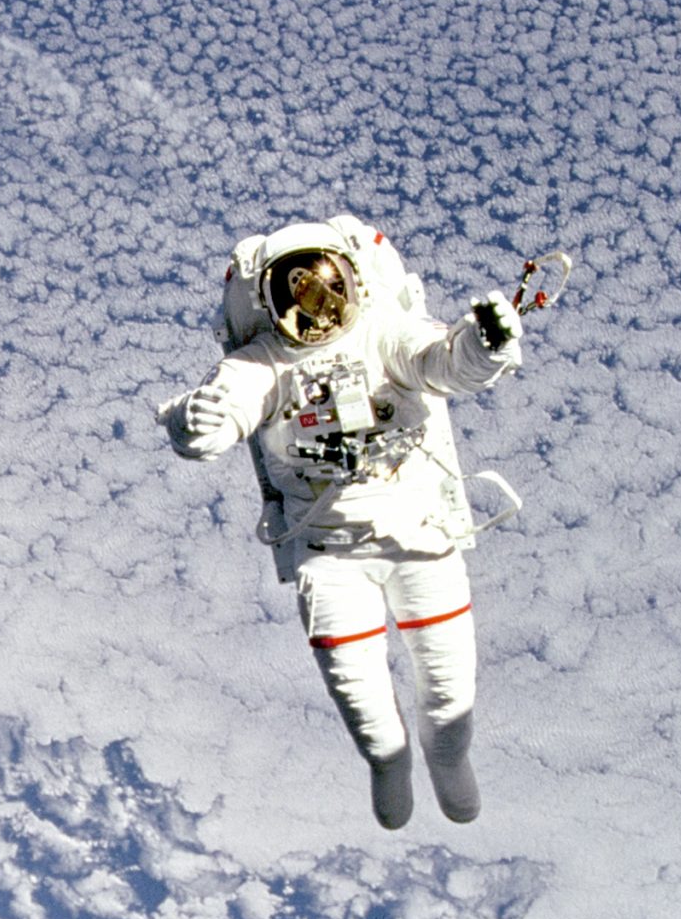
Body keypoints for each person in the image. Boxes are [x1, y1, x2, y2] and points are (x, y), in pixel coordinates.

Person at [158, 214, 523, 829]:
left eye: (327, 285)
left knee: (448, 692)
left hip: (421, 536)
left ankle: (448, 756)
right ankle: (387, 763)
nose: (318, 304)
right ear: (270, 304)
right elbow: (217, 418)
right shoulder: (263, 364)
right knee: (365, 707)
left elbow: (443, 360)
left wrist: (485, 345)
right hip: (329, 557)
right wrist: (195, 424)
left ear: (353, 279)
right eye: (297, 292)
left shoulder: (386, 334)